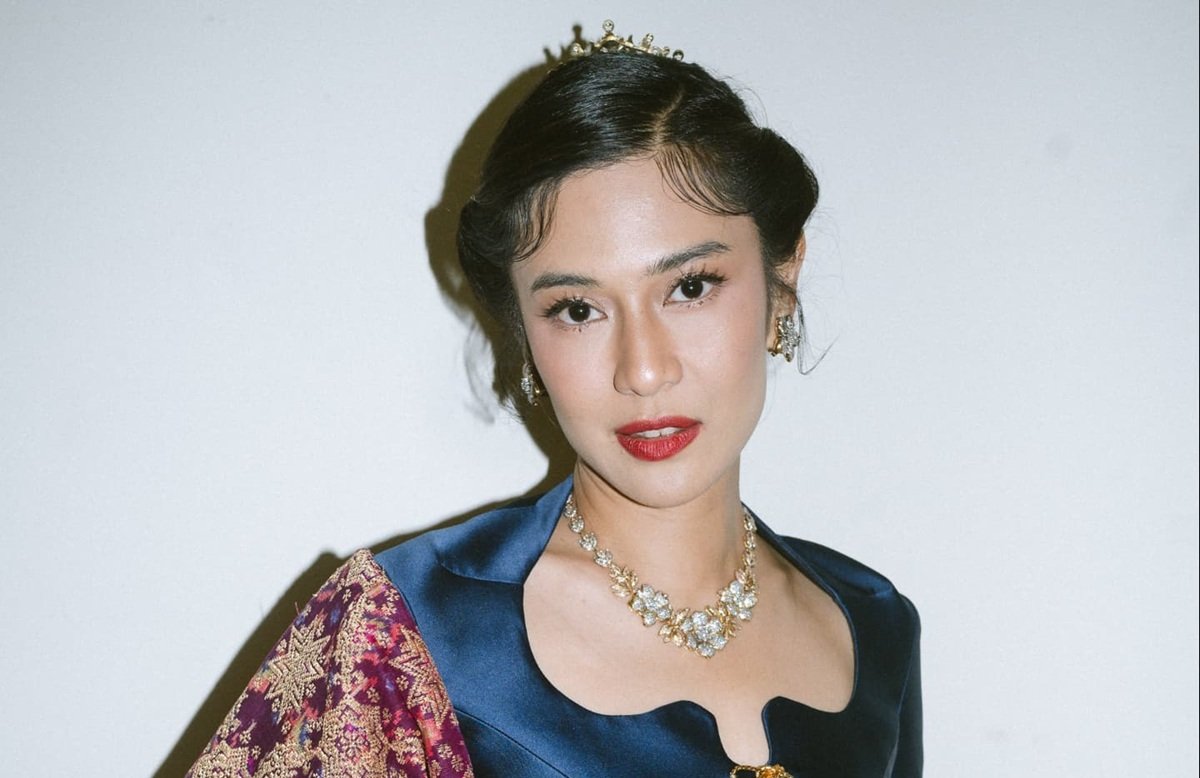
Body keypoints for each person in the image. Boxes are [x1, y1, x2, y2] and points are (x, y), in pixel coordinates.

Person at [188, 20, 922, 778]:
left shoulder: (876, 624)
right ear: (523, 329)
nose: (643, 371)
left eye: (690, 288)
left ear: (781, 286)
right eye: (577, 309)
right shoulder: (406, 634)